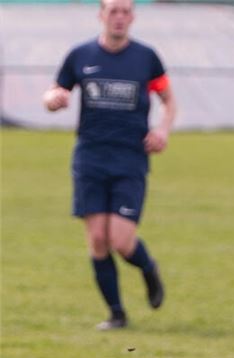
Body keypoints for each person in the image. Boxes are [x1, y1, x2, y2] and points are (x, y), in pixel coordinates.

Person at [42, 0, 172, 330]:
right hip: (90, 159)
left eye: (125, 11)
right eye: (113, 11)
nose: (119, 17)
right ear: (101, 15)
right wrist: (53, 100)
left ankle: (147, 269)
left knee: (122, 241)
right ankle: (116, 313)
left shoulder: (146, 57)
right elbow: (56, 90)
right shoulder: (81, 55)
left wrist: (162, 129)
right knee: (98, 239)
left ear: (133, 18)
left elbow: (167, 99)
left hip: (130, 159)